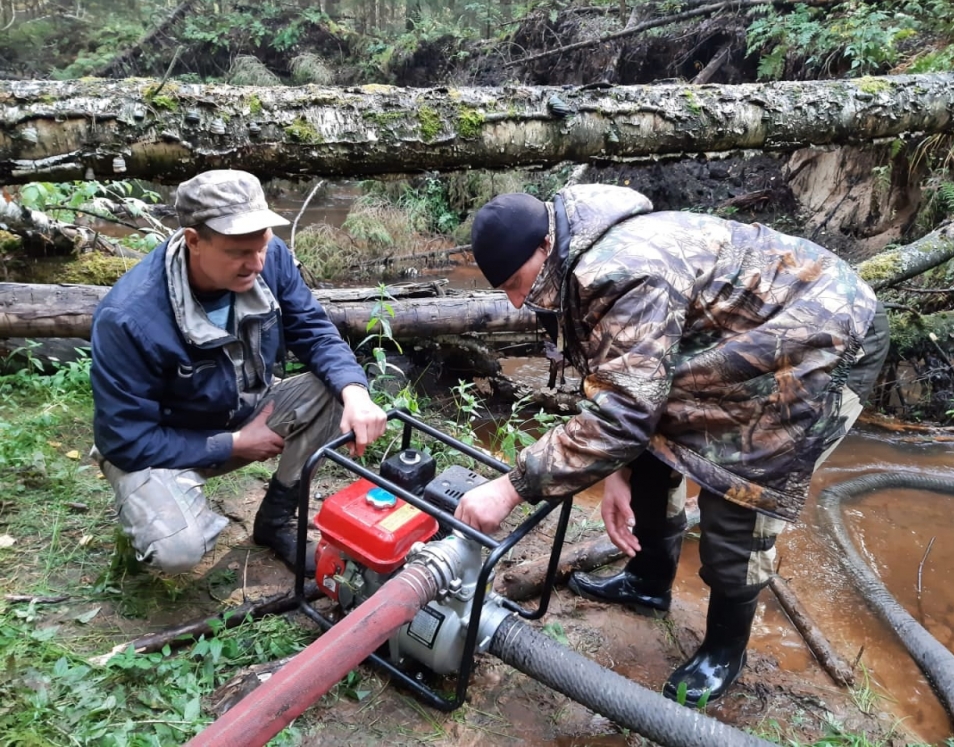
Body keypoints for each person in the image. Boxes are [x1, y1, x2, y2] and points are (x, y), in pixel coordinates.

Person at [454, 185, 889, 706]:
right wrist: (618, 472)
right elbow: (626, 385)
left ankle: (725, 649)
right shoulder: (575, 257)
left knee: (740, 484)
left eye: (515, 283)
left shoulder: (620, 270)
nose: (516, 301)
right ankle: (649, 581)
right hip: (740, 341)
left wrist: (510, 488)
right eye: (503, 289)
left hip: (824, 337)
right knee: (653, 447)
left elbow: (624, 415)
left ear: (544, 247)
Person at [90, 170, 387, 576]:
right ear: (194, 241)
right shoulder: (127, 318)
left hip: (243, 408)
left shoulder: (269, 256)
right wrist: (234, 444)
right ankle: (149, 521)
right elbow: (125, 440)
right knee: (177, 549)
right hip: (164, 443)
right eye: (239, 252)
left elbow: (314, 331)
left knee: (336, 387)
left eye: (262, 245)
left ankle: (275, 521)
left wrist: (356, 393)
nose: (257, 263)